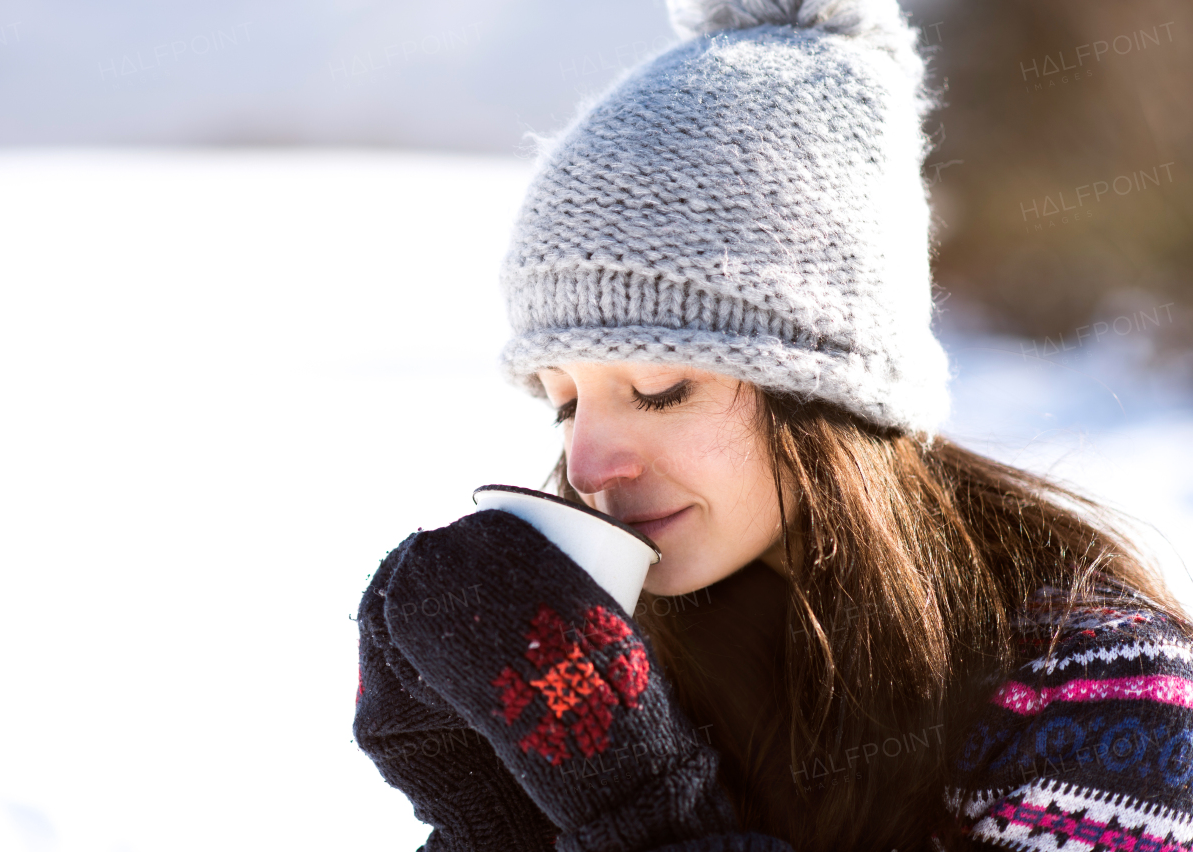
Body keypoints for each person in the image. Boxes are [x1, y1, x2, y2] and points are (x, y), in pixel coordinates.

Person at [354, 1, 1193, 850]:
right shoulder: (622, 666)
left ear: (830, 394)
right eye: (566, 399)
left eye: (660, 386)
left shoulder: (1095, 698)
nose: (589, 460)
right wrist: (481, 803)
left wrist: (643, 811)